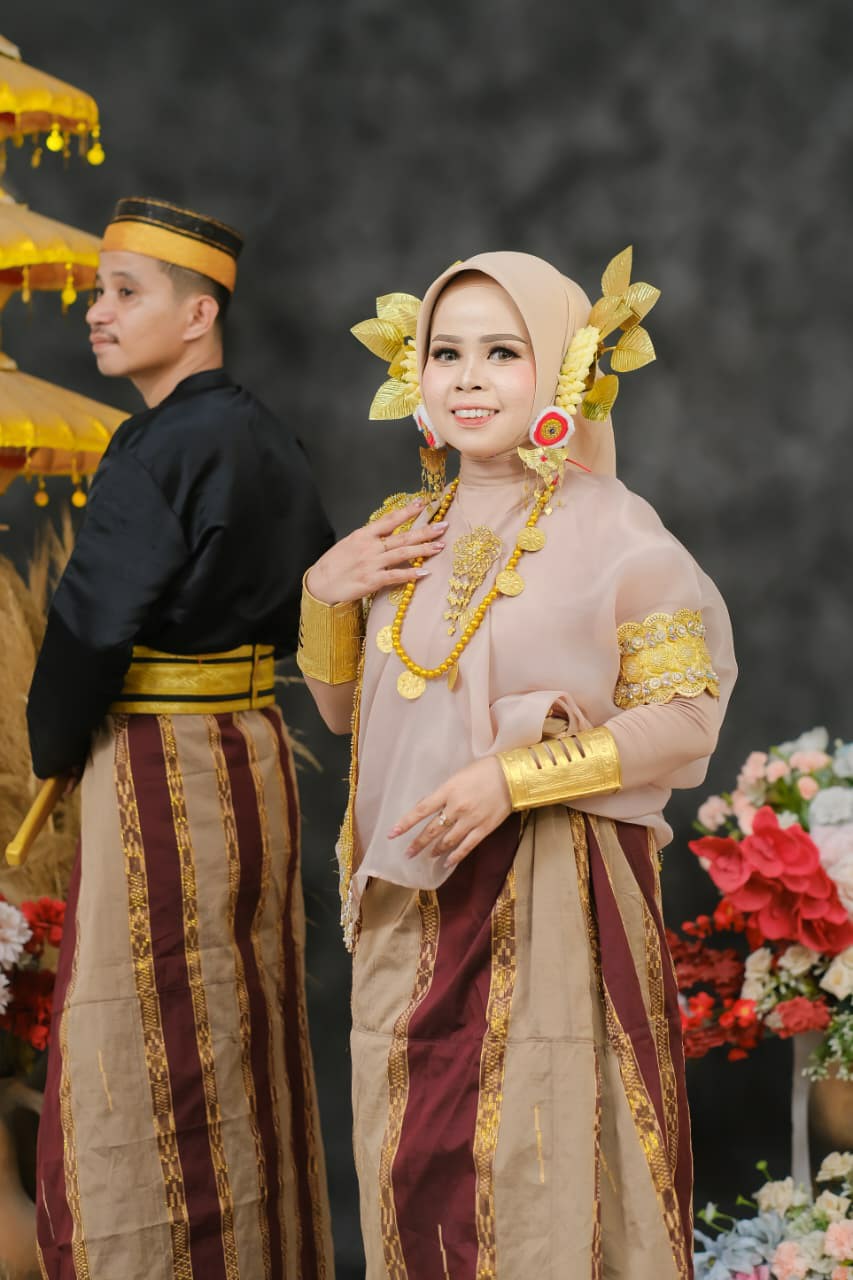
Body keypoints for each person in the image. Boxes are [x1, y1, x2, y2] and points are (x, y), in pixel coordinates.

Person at [297, 249, 736, 1280]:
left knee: (542, 1163)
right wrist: (324, 595)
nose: (468, 378)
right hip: (412, 907)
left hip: (553, 894)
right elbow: (350, 717)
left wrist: (513, 777)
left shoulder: (615, 532)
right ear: (413, 373)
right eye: (445, 352)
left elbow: (686, 719)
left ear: (563, 370)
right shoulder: (400, 532)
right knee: (417, 1169)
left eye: (502, 352)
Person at [27, 197, 336, 1278]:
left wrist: (53, 744)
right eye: (97, 292)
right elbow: (317, 598)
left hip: (158, 766)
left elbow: (90, 627)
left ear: (199, 314)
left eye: (126, 292)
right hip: (257, 752)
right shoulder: (268, 437)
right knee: (245, 1023)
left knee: (146, 1032)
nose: (97, 313)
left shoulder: (157, 445)